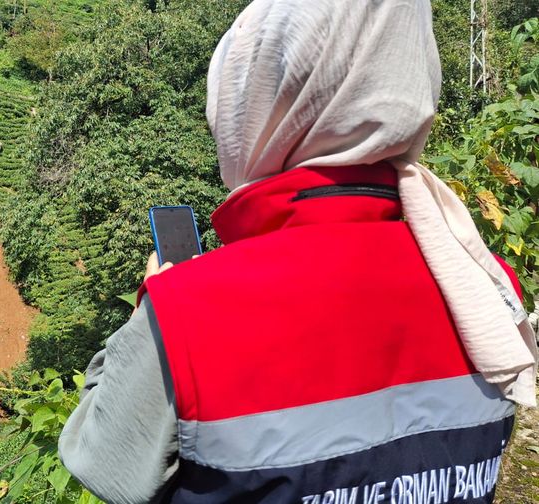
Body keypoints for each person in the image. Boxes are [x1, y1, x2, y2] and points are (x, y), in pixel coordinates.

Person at [58, 0, 539, 503]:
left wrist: (153, 314)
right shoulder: (484, 288)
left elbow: (102, 461)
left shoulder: (188, 311)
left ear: (257, 109)